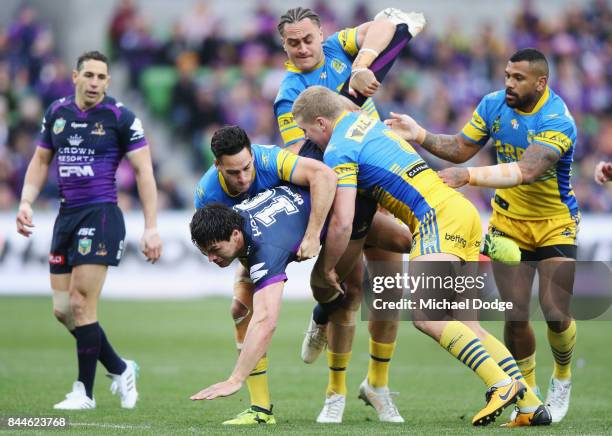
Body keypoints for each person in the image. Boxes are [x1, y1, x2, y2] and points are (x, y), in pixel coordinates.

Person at [291, 85, 552, 427]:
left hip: (435, 217)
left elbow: (343, 222)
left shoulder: (339, 148)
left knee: (427, 316)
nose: (309, 139)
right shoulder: (368, 123)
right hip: (464, 211)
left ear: (322, 123)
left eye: (307, 131)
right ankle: (531, 405)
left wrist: (326, 269)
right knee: (469, 325)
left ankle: (501, 384)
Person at [386, 48, 579, 425]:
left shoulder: (558, 119)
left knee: (556, 312)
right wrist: (420, 134)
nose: (508, 82)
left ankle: (563, 376)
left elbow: (526, 170)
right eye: (507, 74)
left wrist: (471, 177)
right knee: (517, 315)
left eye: (518, 78)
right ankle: (532, 398)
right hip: (508, 222)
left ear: (541, 82)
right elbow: (460, 149)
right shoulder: (493, 105)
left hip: (555, 220)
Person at [192, 124, 410, 424]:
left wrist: (310, 235)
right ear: (217, 165)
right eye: (233, 173)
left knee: (386, 259)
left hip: (328, 217)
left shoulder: (268, 159)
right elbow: (222, 238)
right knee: (241, 308)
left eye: (246, 168)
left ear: (253, 156)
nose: (243, 178)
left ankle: (326, 318)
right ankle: (261, 409)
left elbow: (322, 175)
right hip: (266, 239)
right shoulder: (207, 196)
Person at [274, 6, 425, 423]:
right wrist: (350, 106)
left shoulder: (339, 47)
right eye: (293, 42)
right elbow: (299, 155)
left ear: (320, 33)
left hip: (380, 172)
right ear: (283, 46)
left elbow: (385, 26)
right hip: (342, 187)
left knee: (389, 292)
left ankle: (377, 385)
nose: (303, 48)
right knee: (350, 294)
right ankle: (334, 392)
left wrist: (360, 66)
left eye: (308, 39)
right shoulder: (289, 93)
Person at [15, 50, 162, 410]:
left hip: (102, 215)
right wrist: (25, 201)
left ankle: (84, 391)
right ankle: (119, 366)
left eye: (102, 77)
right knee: (64, 310)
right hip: (66, 217)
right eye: (90, 76)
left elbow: (144, 171)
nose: (96, 82)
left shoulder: (120, 117)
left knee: (83, 302)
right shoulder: (57, 113)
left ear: (108, 81)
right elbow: (40, 160)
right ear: (75, 76)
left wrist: (152, 227)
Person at [188, 186, 327, 405]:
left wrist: (235, 379)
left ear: (235, 235)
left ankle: (323, 314)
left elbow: (266, 322)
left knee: (341, 290)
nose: (210, 258)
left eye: (214, 249)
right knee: (240, 310)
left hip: (344, 211)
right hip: (302, 203)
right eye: (205, 252)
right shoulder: (233, 220)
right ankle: (260, 408)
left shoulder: (266, 251)